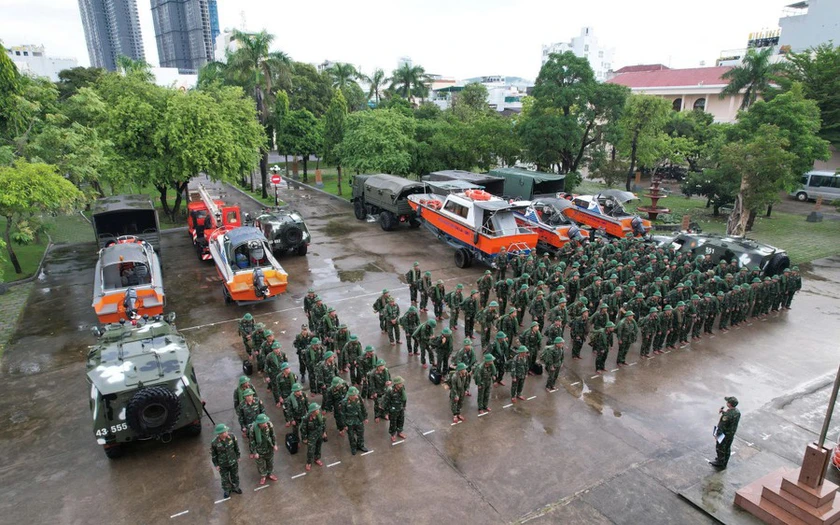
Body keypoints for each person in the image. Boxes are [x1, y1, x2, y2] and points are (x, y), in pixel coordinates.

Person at [210, 423, 242, 498]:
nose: (226, 433)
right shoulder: (214, 442)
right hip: (222, 464)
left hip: (233, 461)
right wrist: (216, 465)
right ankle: (227, 490)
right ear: (219, 434)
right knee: (225, 478)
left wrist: (238, 456)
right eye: (224, 432)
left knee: (235, 475)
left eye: (226, 431)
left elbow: (236, 447)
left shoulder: (232, 437)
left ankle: (235, 487)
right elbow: (214, 455)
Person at [710, 396, 741, 469]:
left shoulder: (727, 415)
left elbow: (722, 426)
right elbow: (731, 418)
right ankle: (725, 461)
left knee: (720, 448)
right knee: (727, 448)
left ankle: (720, 463)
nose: (726, 403)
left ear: (729, 404)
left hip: (724, 435)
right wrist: (724, 412)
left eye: (728, 402)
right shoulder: (737, 412)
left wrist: (717, 435)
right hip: (731, 434)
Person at [247, 414, 278, 485]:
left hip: (268, 447)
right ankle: (263, 476)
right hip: (259, 449)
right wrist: (255, 452)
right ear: (259, 423)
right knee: (260, 464)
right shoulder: (253, 429)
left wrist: (274, 444)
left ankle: (270, 474)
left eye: (266, 422)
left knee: (270, 462)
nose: (265, 424)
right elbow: (252, 441)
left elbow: (273, 435)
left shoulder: (269, 424)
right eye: (263, 423)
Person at [339, 386, 369, 455]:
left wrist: (365, 417)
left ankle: (361, 445)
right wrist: (344, 425)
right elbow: (342, 414)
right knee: (351, 436)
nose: (356, 396)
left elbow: (363, 408)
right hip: (349, 421)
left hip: (358, 419)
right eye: (354, 395)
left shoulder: (358, 398)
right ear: (350, 395)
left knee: (360, 433)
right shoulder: (344, 402)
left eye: (356, 395)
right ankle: (353, 447)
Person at [301, 403, 326, 471]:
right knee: (310, 450)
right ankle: (309, 462)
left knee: (318, 447)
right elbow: (303, 429)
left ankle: (317, 458)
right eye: (316, 410)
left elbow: (323, 424)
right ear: (313, 411)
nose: (318, 410)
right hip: (311, 436)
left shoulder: (319, 415)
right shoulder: (306, 418)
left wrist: (324, 432)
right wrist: (304, 438)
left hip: (319, 434)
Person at [382, 376, 407, 442]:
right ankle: (393, 434)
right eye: (400, 383)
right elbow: (386, 402)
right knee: (393, 423)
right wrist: (386, 413)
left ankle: (399, 432)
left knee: (401, 421)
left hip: (400, 408)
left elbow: (404, 398)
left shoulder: (402, 388)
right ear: (396, 384)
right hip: (393, 410)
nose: (402, 384)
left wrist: (404, 406)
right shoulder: (390, 391)